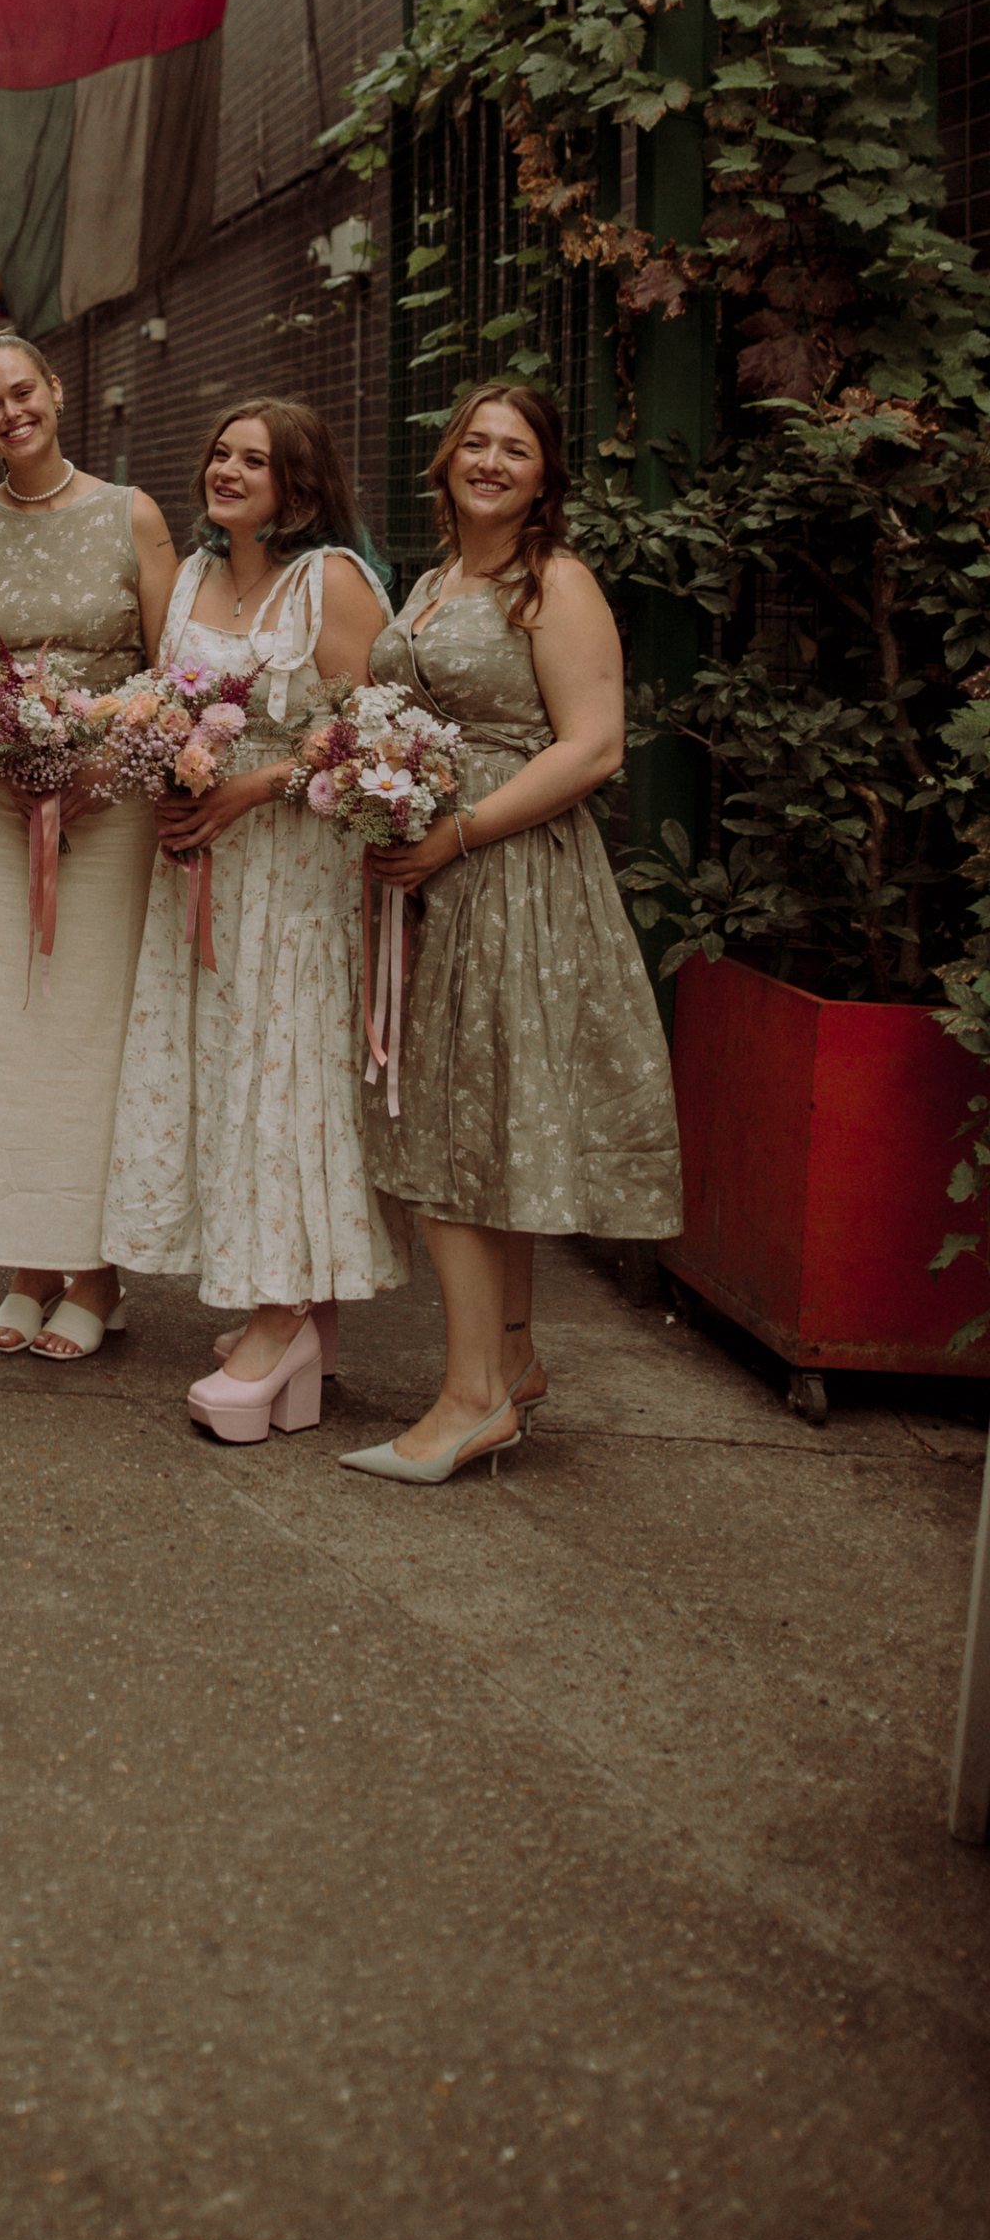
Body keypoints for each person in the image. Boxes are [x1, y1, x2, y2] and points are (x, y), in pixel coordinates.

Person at [342, 379, 683, 1485]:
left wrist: (457, 832)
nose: (491, 461)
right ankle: (516, 1361)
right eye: (475, 444)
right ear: (445, 461)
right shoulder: (438, 581)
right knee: (475, 1116)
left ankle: (470, 1399)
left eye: (517, 450)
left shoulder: (557, 586)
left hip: (508, 877)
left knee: (460, 1127)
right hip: (433, 874)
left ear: (545, 477)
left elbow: (593, 749)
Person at [103, 399, 405, 1441]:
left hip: (293, 865)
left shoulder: (332, 582)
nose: (228, 471)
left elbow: (363, 736)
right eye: (220, 454)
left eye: (255, 460)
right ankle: (300, 1315)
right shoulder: (187, 577)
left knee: (287, 1073)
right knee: (233, 1073)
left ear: (299, 483)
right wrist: (165, 773)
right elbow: (164, 700)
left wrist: (244, 788)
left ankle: (284, 1323)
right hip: (200, 865)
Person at [0, 333, 177, 1363]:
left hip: (108, 807)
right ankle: (25, 1263)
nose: (10, 412)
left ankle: (97, 1273)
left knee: (88, 1035)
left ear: (57, 394)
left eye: (24, 392)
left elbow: (172, 666)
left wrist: (96, 757)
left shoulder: (132, 515)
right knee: (2, 1032)